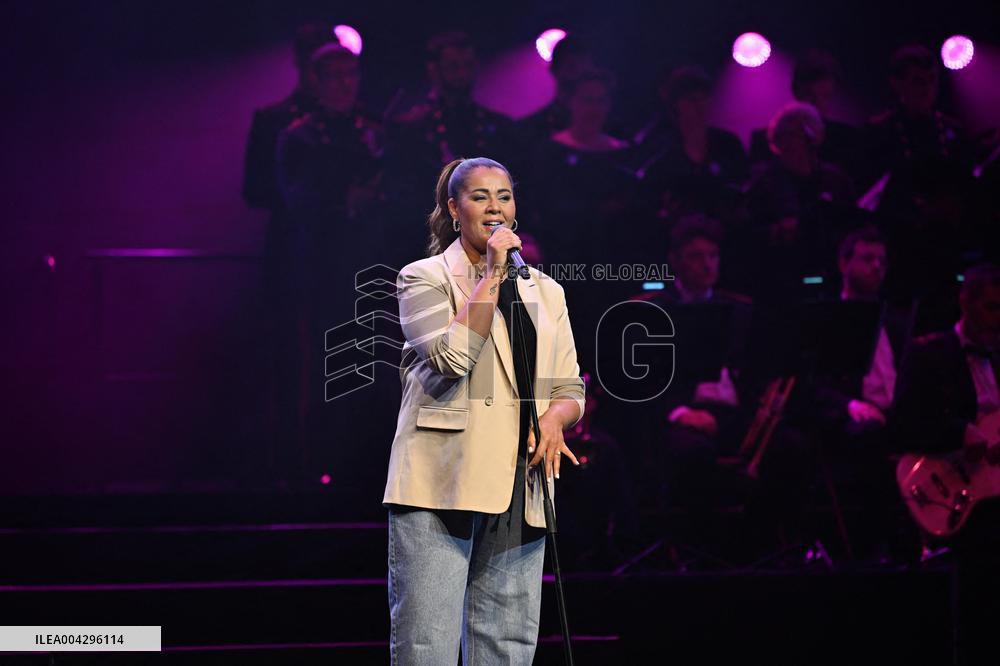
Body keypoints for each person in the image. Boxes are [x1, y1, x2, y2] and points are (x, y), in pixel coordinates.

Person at [384, 157, 586, 664]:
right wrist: (493, 273)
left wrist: (555, 419)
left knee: (507, 645)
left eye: (504, 196)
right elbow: (452, 358)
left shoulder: (547, 291)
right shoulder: (423, 278)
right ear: (454, 210)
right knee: (426, 644)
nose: (495, 207)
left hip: (522, 481)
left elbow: (569, 387)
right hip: (442, 480)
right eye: (480, 197)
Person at [890, 263, 1000, 665]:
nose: (998, 319)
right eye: (991, 308)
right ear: (965, 303)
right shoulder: (929, 354)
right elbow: (903, 424)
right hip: (957, 490)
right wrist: (959, 431)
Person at [631, 66, 748, 224]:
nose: (699, 106)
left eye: (703, 98)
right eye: (691, 99)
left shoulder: (729, 144)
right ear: (675, 106)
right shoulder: (660, 155)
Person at [750, 50, 862, 180]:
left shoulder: (845, 139)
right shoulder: (764, 141)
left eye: (825, 96)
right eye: (810, 95)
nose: (816, 104)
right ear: (796, 91)